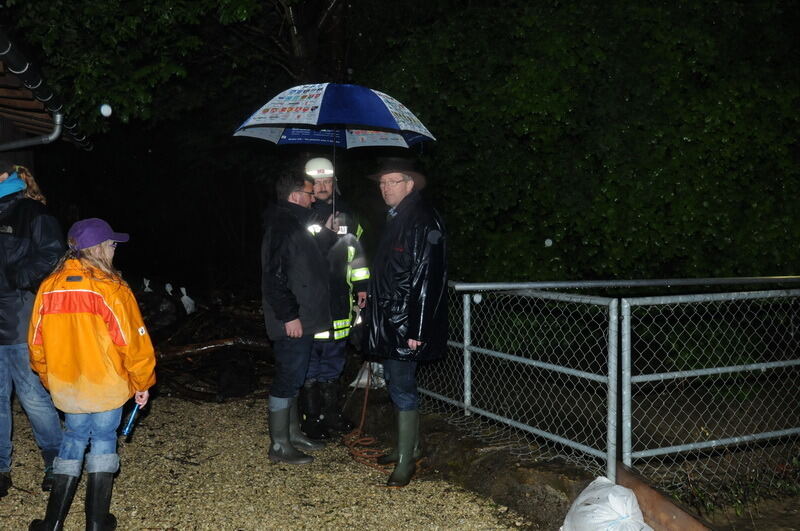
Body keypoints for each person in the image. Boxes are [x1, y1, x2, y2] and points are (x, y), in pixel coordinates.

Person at [28, 218, 156, 530]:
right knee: (102, 439)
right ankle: (97, 523)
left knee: (72, 439)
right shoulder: (111, 288)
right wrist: (142, 381)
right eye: (111, 244)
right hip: (106, 386)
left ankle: (52, 523)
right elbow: (133, 341)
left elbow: (35, 345)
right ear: (97, 248)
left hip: (67, 386)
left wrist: (51, 380)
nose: (115, 249)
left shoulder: (48, 287)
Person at [365, 157, 448, 487]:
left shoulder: (421, 218)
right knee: (395, 381)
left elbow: (428, 277)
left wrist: (418, 328)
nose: (385, 188)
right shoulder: (398, 217)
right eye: (382, 182)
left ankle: (406, 460)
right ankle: (407, 447)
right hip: (392, 318)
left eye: (393, 181)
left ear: (410, 184)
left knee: (402, 384)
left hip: (405, 322)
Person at [0, 162, 63, 497]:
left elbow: (53, 254)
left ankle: (56, 461)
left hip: (20, 320)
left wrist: (16, 278)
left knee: (32, 396)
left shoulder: (32, 213)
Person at [261, 172, 333, 464]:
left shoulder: (296, 223)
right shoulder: (282, 225)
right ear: (294, 196)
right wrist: (289, 316)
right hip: (292, 321)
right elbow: (274, 277)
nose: (313, 198)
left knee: (296, 376)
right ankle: (279, 445)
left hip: (304, 318)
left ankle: (292, 434)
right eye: (309, 193)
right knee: (288, 377)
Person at [299, 157, 369, 439]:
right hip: (311, 303)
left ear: (334, 183)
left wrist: (362, 285)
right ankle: (310, 419)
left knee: (334, 361)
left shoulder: (348, 215)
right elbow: (300, 257)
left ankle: (331, 415)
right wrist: (325, 233)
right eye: (317, 182)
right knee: (309, 365)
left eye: (327, 181)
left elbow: (357, 254)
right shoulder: (301, 215)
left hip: (340, 302)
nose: (322, 186)